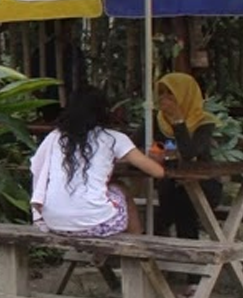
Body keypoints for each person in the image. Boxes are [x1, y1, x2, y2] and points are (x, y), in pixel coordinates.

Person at [31, 87, 165, 236]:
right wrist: (157, 160)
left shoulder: (55, 137)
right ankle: (137, 246)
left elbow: (37, 165)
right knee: (121, 190)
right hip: (94, 223)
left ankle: (102, 257)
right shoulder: (114, 138)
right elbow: (158, 172)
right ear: (102, 111)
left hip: (53, 221)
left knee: (115, 188)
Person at [153, 72, 221, 240]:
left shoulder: (204, 122)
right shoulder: (157, 121)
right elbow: (134, 145)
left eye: (170, 93)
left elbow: (189, 153)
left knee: (180, 207)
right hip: (169, 185)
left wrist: (178, 120)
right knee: (169, 201)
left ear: (185, 95)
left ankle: (184, 253)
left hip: (203, 185)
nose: (164, 98)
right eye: (161, 93)